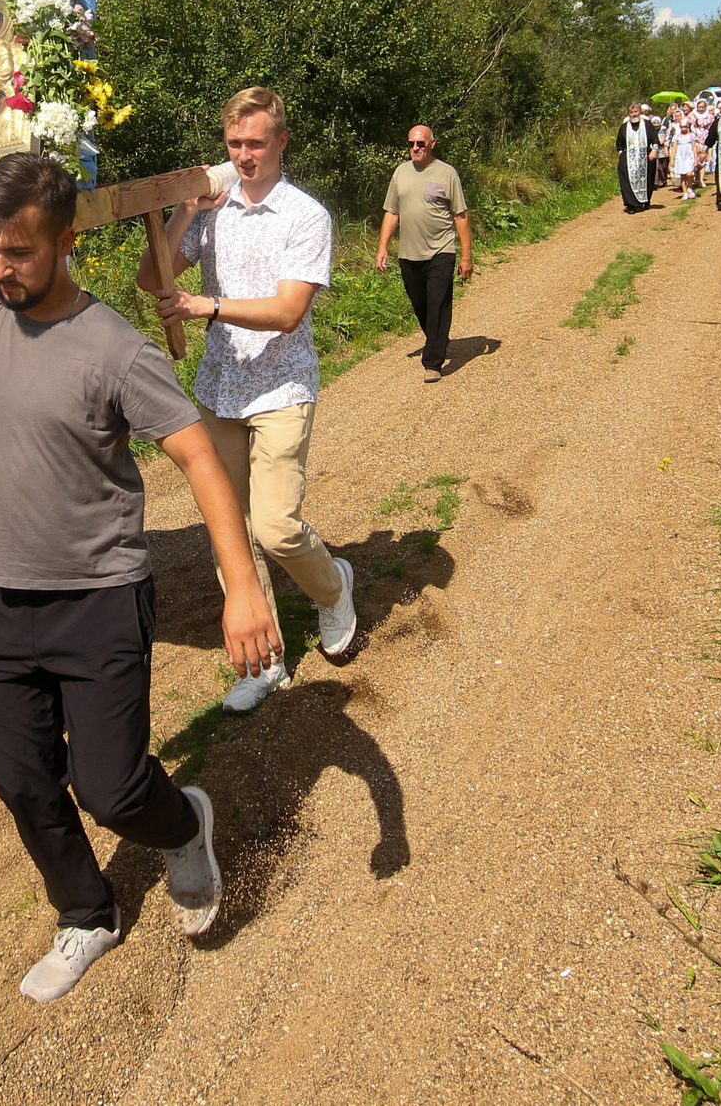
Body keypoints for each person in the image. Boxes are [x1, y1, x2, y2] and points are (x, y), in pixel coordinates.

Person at [0, 153, 279, 1005]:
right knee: (22, 780)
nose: (1, 267)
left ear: (63, 241)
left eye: (19, 251)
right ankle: (86, 911)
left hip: (99, 597)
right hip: (4, 597)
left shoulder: (113, 347)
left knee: (112, 784)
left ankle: (185, 821)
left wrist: (242, 587)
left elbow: (199, 457)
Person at [139, 87, 357, 716]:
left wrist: (203, 306)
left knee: (275, 525)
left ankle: (332, 584)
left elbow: (289, 312)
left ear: (282, 142)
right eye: (235, 144)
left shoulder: (305, 216)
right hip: (219, 387)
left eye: (255, 143)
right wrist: (184, 213)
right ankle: (266, 663)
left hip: (283, 386)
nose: (243, 156)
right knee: (230, 531)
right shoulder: (212, 210)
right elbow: (152, 280)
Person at [377, 125, 472, 382]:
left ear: (432, 144)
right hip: (409, 254)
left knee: (438, 303)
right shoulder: (401, 173)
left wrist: (466, 256)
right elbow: (392, 212)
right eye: (411, 144)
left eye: (420, 143)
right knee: (420, 303)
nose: (415, 148)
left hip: (441, 250)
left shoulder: (446, 173)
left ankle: (433, 362)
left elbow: (460, 216)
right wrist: (383, 246)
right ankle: (438, 337)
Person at [616, 102, 660, 212]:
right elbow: (619, 143)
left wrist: (654, 150)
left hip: (645, 157)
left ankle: (644, 201)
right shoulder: (624, 127)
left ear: (639, 112)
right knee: (626, 176)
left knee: (647, 179)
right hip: (629, 159)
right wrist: (622, 155)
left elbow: (655, 139)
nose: (634, 114)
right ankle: (632, 204)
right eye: (631, 112)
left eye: (636, 112)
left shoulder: (647, 125)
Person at [671, 107, 702, 200]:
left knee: (689, 173)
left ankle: (690, 188)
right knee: (682, 175)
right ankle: (685, 192)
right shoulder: (677, 137)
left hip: (689, 155)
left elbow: (694, 147)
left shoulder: (691, 136)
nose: (683, 128)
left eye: (685, 127)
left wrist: (696, 158)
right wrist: (672, 159)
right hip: (680, 156)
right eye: (682, 127)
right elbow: (674, 148)